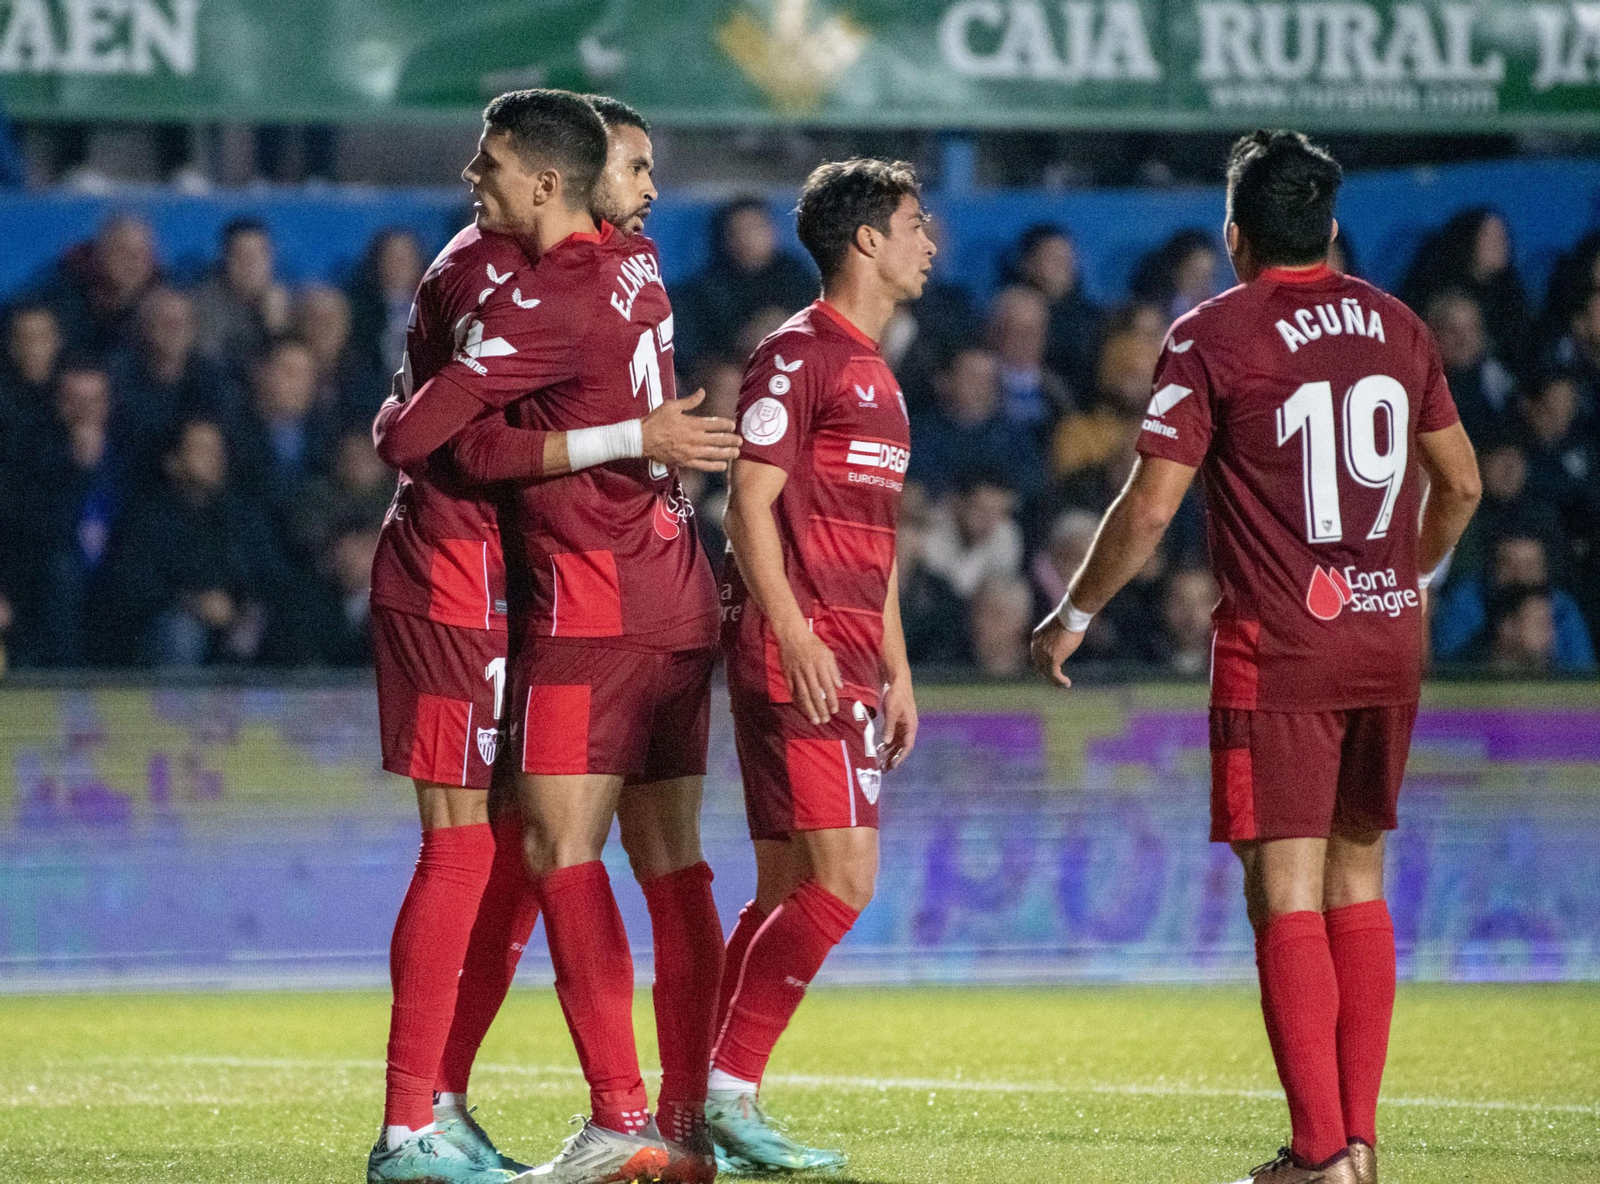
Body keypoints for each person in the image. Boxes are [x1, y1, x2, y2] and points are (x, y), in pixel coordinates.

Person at [1030, 130, 1481, 1184]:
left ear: (1233, 233)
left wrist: (1074, 612)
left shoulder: (1211, 334)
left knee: (1283, 891)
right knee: (1356, 877)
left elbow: (1149, 507)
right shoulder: (1397, 323)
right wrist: (1398, 580)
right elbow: (1457, 485)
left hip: (1283, 644)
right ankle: (1358, 1146)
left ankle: (1317, 1154)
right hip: (1385, 638)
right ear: (1327, 227)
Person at [370, 89, 740, 1184]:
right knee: (653, 860)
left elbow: (421, 438)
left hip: (574, 598)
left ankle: (564, 1116)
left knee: (536, 850)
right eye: (639, 169)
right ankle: (676, 1114)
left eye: (487, 163)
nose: (649, 194)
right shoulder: (640, 266)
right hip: (666, 586)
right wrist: (639, 433)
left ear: (546, 182)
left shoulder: (530, 291)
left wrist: (405, 410)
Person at [715, 157, 933, 1172]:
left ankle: (695, 1098)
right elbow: (746, 504)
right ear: (866, 242)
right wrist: (799, 636)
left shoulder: (881, 376)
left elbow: (872, 542)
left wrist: (897, 667)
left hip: (849, 654)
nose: (928, 242)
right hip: (795, 653)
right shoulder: (797, 355)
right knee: (843, 881)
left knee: (782, 889)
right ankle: (727, 1088)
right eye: (913, 223)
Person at [192, 218, 291, 372]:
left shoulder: (286, 299)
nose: (250, 265)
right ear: (225, 260)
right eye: (241, 255)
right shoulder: (203, 304)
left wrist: (277, 329)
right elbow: (208, 363)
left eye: (259, 255)